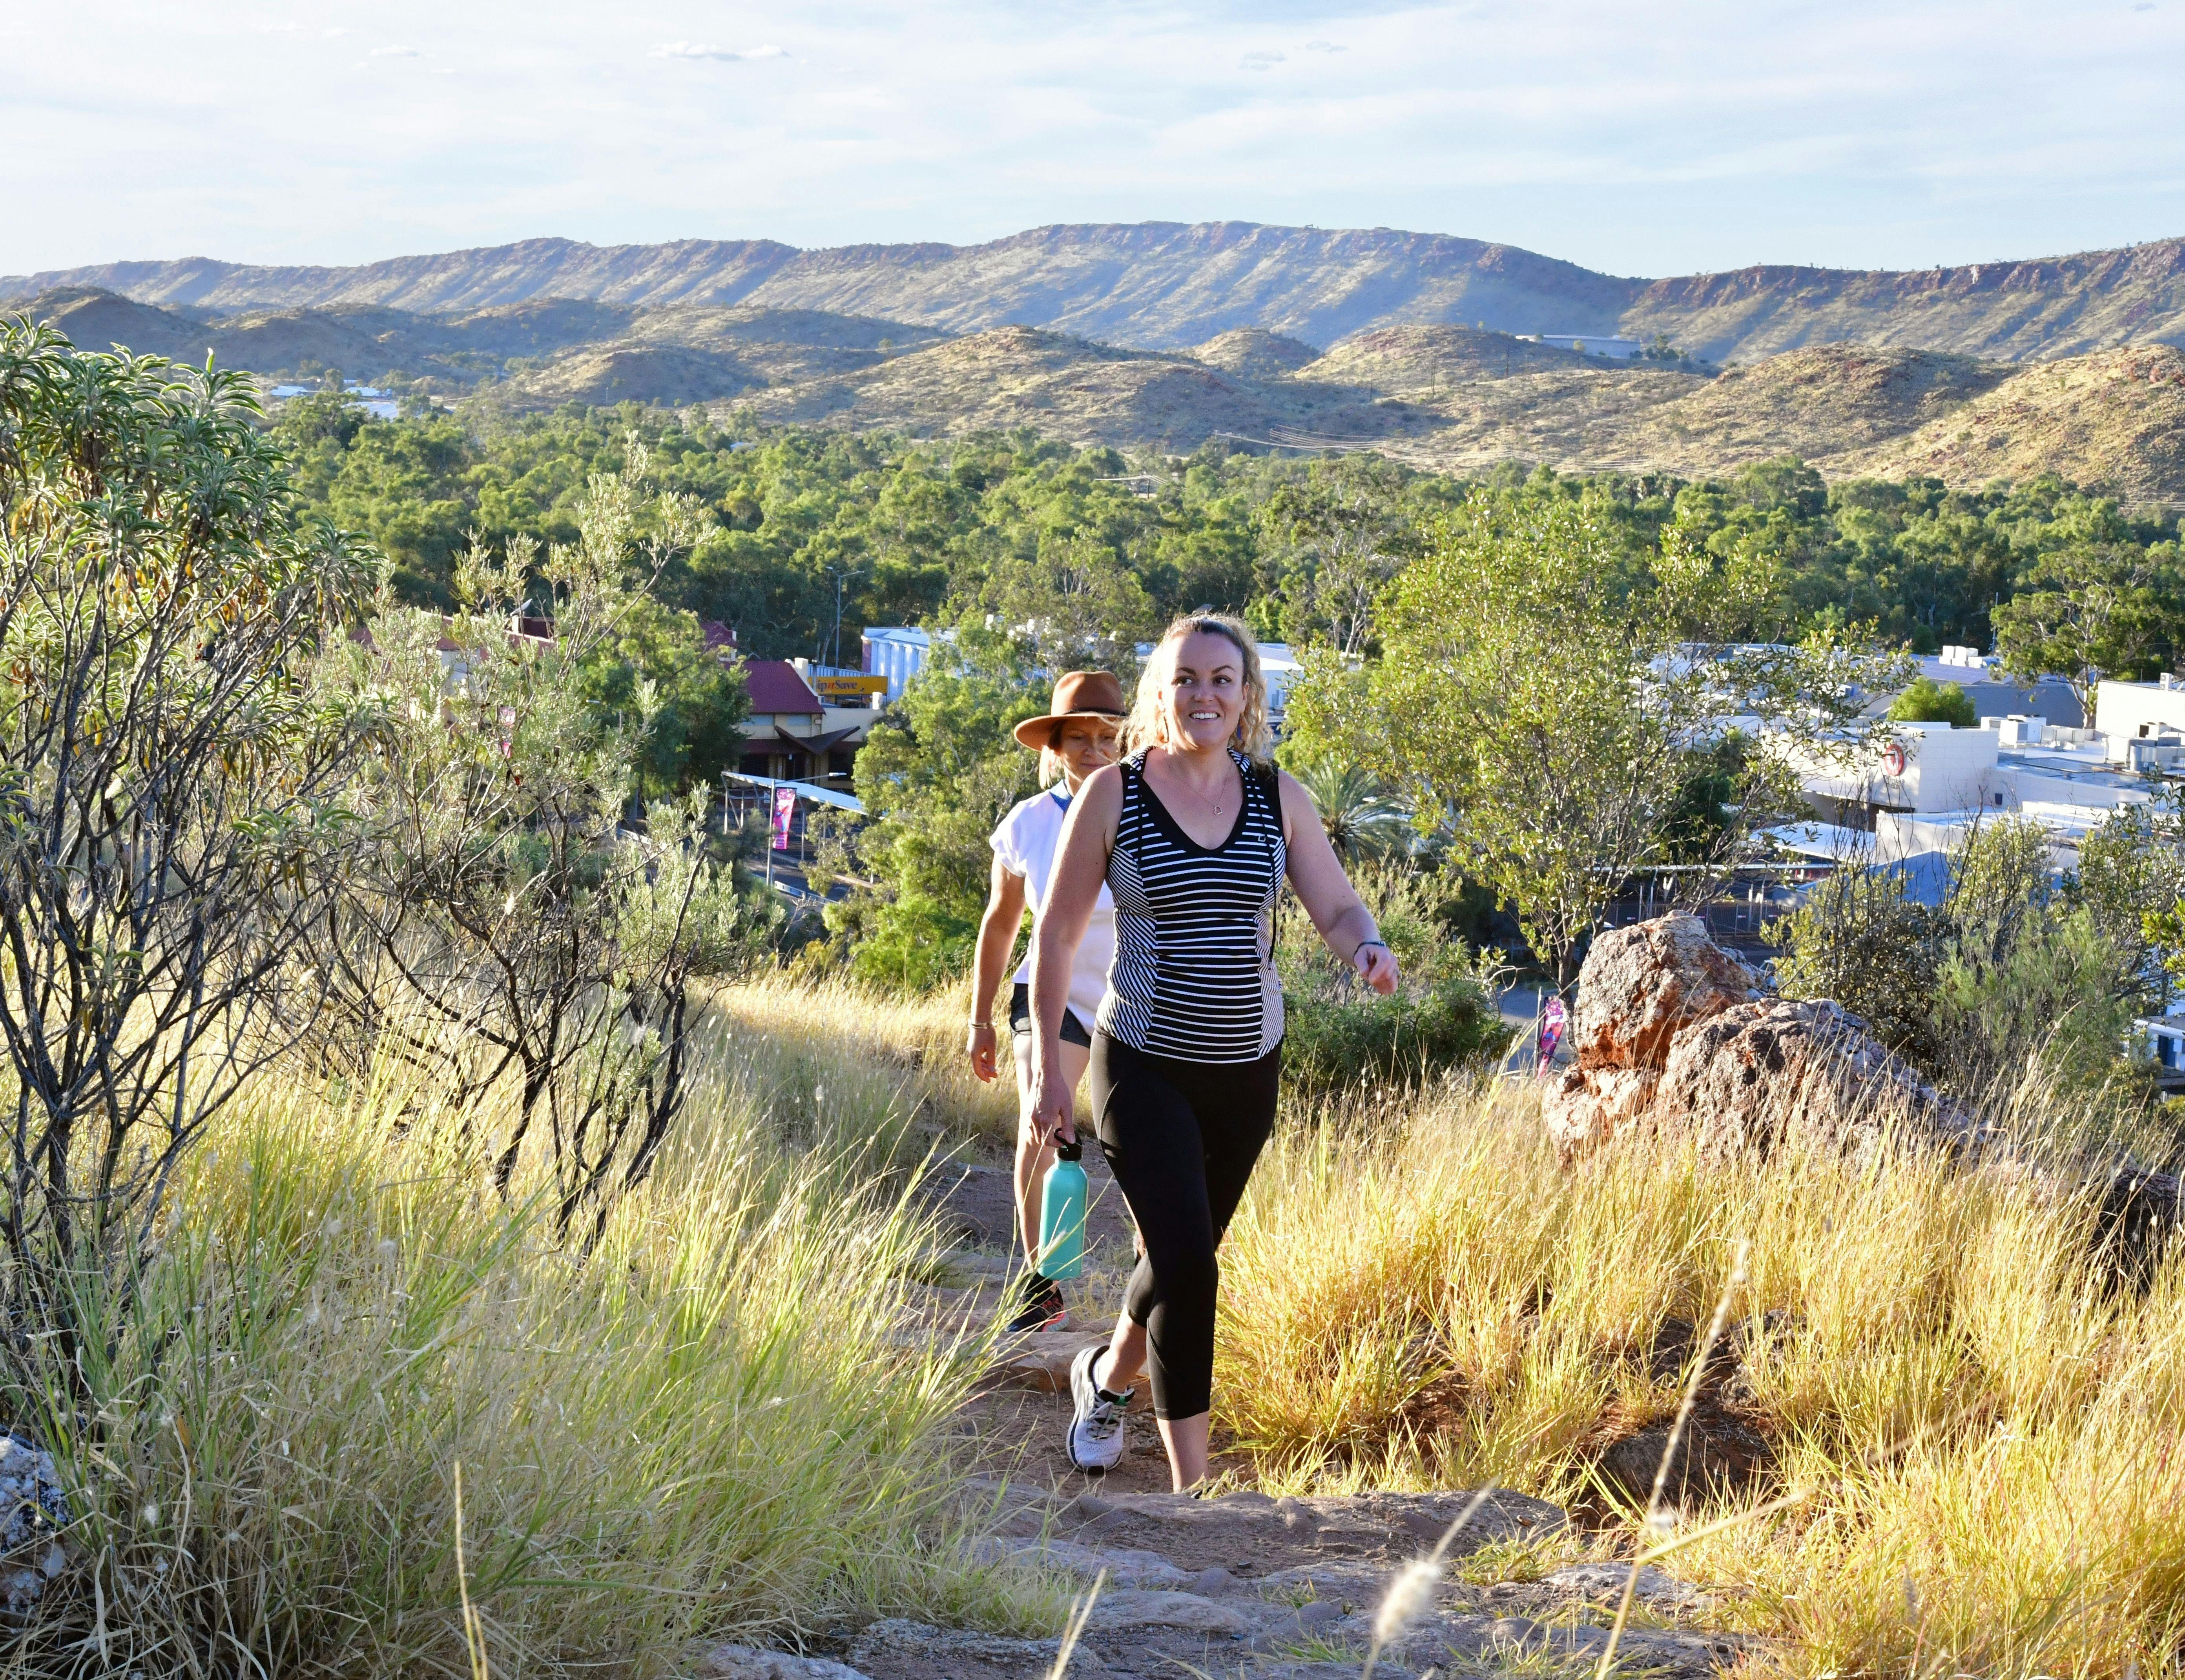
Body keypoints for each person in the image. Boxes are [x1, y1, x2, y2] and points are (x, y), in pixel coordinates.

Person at [1029, 613, 1399, 1490]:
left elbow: (1337, 904)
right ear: (1163, 689)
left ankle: (1105, 1378)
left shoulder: (1278, 795)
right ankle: (1194, 1493)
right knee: (1192, 1264)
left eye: (1222, 680)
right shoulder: (1114, 793)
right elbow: (1055, 934)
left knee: (1175, 1256)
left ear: (1247, 698)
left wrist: (1367, 947)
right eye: (1187, 677)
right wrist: (1048, 1063)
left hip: (1247, 1069)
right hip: (1143, 1060)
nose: (1204, 694)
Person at [966, 670, 1127, 1332]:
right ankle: (1040, 1286)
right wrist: (979, 1019)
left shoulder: (1147, 808)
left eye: (1107, 738)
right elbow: (1001, 925)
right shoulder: (1027, 824)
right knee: (1041, 1113)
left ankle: (1155, 1276)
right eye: (1080, 739)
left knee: (1135, 1139)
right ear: (1055, 748)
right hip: (1049, 990)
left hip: (1130, 994)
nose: (1094, 750)